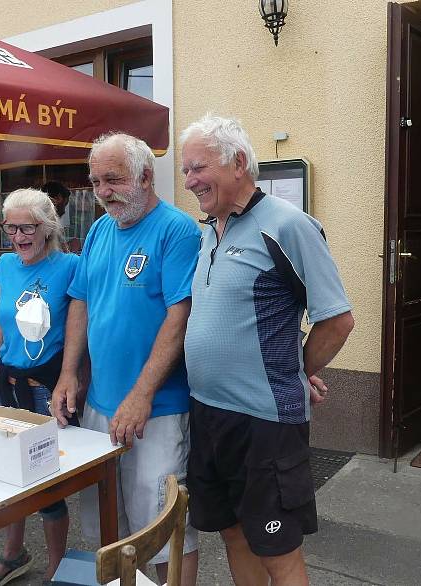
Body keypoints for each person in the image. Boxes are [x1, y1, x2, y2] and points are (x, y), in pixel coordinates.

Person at [180, 114, 354, 586]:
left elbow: (337, 319)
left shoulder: (288, 225)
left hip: (265, 423)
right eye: (186, 172)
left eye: (198, 168)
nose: (190, 181)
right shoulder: (209, 232)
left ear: (238, 162)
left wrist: (296, 369)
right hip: (208, 413)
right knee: (233, 533)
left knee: (278, 549)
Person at [51, 133, 201, 585]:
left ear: (146, 176)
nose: (103, 191)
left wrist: (141, 394)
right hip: (99, 405)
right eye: (95, 181)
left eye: (113, 179)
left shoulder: (177, 230)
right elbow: (80, 301)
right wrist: (68, 376)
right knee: (104, 526)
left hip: (156, 411)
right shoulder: (99, 230)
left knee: (163, 529)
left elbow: (181, 315)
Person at [0, 188, 78, 584]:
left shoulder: (70, 267)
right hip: (7, 386)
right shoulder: (6, 265)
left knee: (47, 486)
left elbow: (79, 330)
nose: (18, 236)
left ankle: (57, 563)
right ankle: (14, 552)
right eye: (11, 227)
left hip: (44, 390)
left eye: (27, 227)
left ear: (47, 227)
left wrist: (71, 379)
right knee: (9, 475)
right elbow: (1, 315)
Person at [42, 180, 83, 254]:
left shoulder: (45, 222)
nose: (64, 211)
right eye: (64, 205)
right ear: (58, 198)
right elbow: (50, 253)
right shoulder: (45, 225)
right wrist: (69, 247)